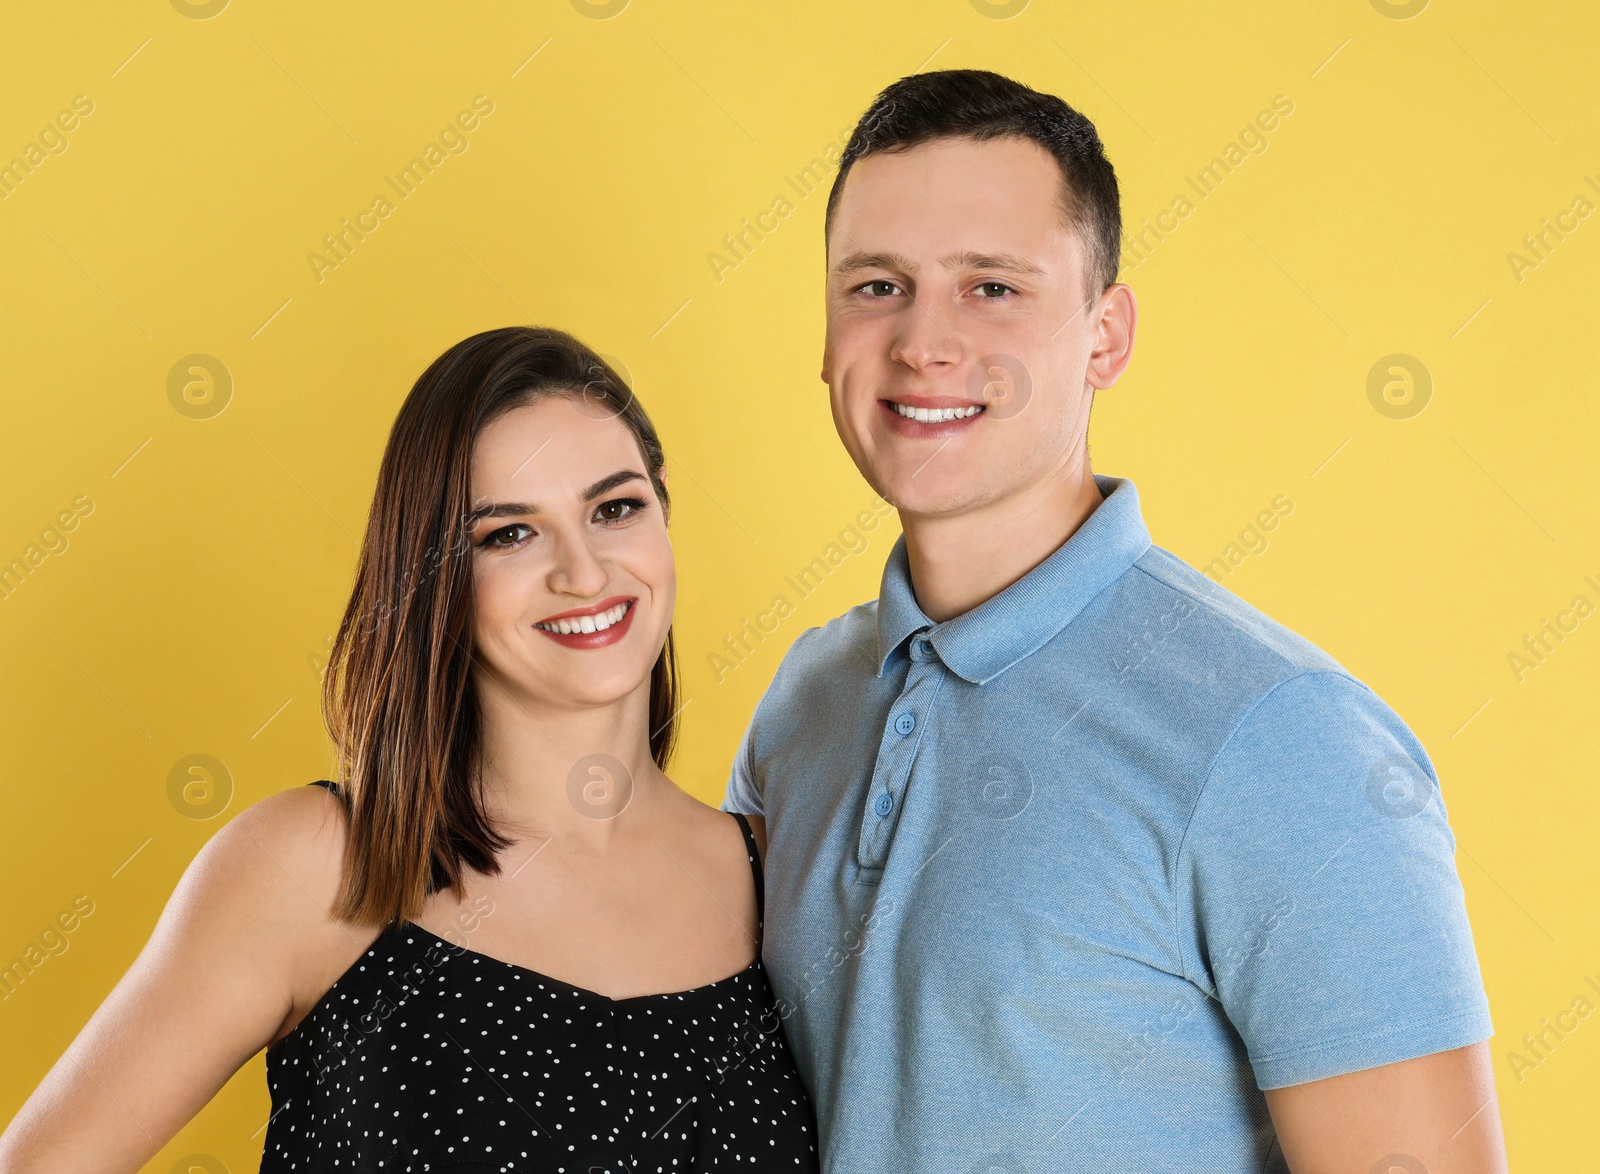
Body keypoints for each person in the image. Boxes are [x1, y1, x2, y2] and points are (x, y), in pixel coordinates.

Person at [722, 69, 1507, 1173]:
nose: (921, 343)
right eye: (876, 285)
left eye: (991, 287)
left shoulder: (1286, 741)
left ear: (1105, 335)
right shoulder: (805, 702)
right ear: (824, 333)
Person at [0, 327, 818, 1173]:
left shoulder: (776, 876)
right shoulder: (318, 866)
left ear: (663, 508)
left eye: (615, 508)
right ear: (433, 573)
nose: (584, 571)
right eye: (508, 533)